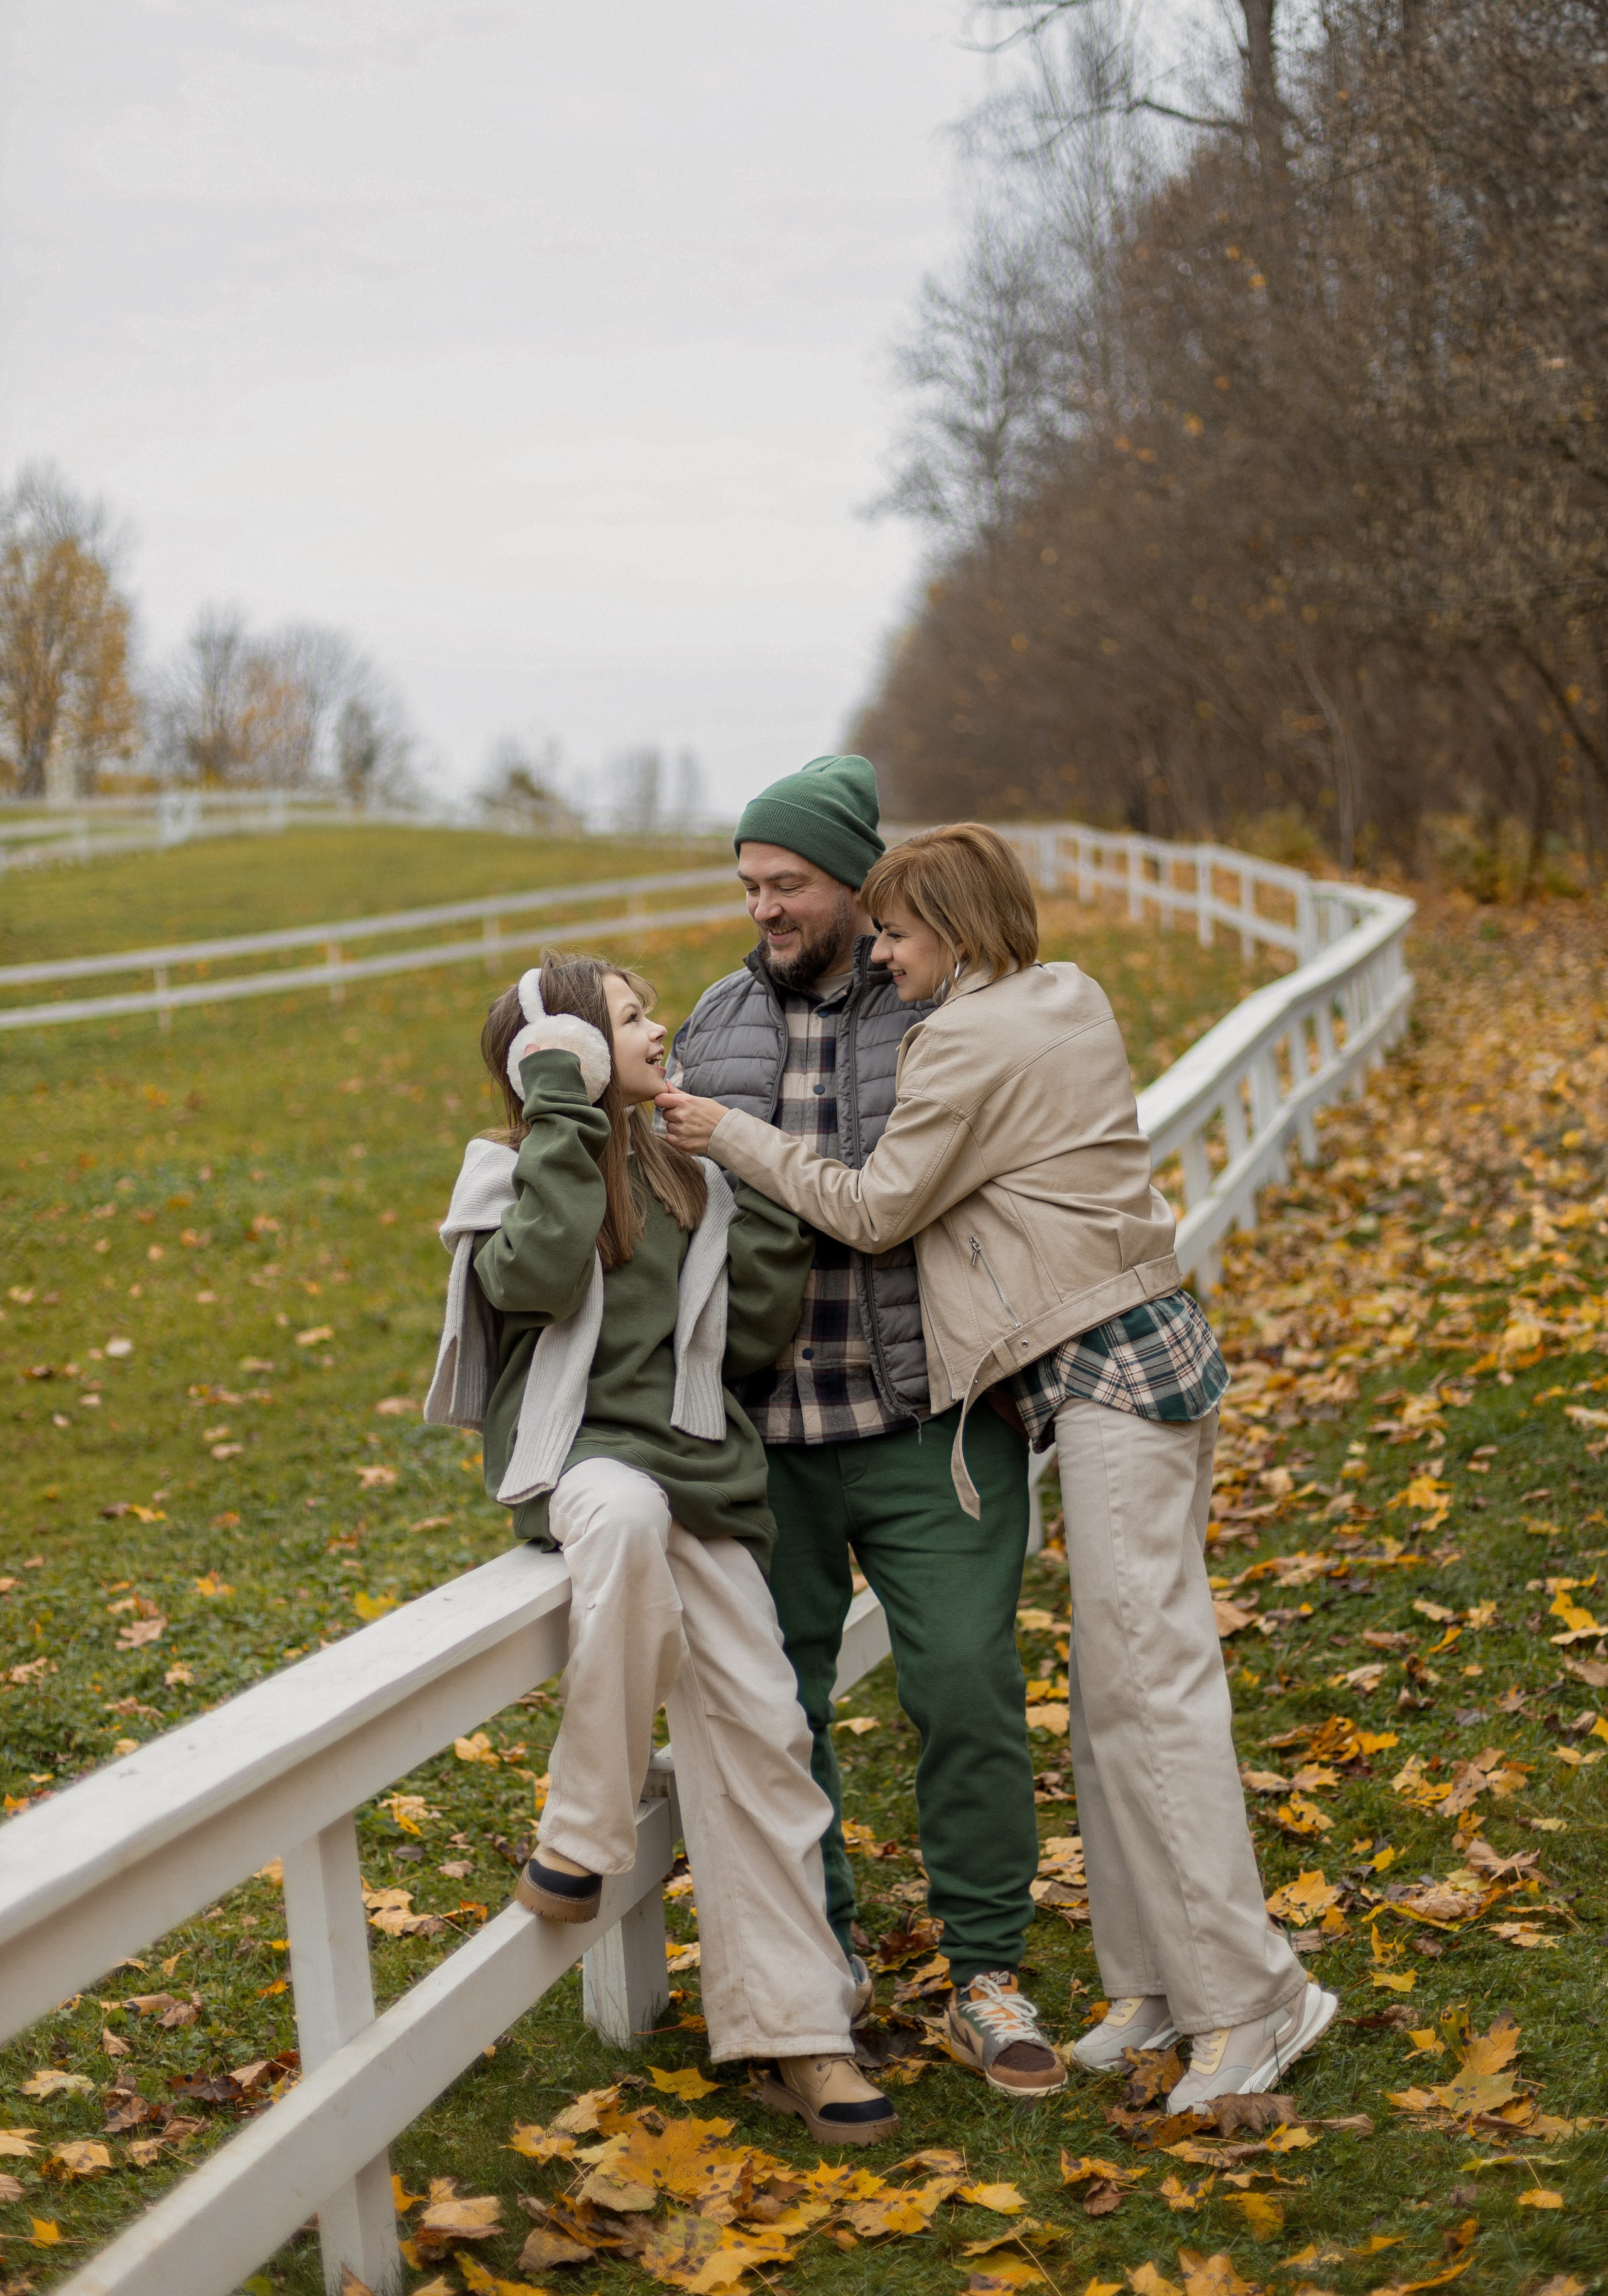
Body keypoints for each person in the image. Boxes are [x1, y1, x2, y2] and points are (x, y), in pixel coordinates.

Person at [660, 821, 1338, 2113]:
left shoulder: (963, 1036)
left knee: (1149, 1690)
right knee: (1108, 1690)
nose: (884, 955)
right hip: (1131, 1353)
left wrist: (727, 1135)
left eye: (900, 935)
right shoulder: (1063, 991)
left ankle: (1250, 1996)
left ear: (954, 937)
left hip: (1100, 1371)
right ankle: (1151, 1982)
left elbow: (871, 1210)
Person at [425, 950, 898, 2146]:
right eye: (629, 1017)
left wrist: (765, 1195)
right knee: (625, 1518)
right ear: (569, 1054)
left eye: (648, 1012)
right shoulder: (517, 1166)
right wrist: (566, 1120)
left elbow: (749, 1343)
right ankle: (581, 1836)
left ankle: (801, 2034)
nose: (659, 1026)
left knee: (770, 1735)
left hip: (702, 1468)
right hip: (581, 1462)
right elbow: (531, 1276)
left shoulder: (693, 1166)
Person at [665, 758, 1066, 2102]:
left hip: (929, 1420)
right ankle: (815, 1971)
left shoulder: (940, 1009)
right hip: (763, 1441)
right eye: (749, 886)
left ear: (854, 882)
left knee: (963, 1686)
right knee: (778, 1716)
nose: (764, 909)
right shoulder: (712, 1022)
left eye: (787, 885)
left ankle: (987, 1972)